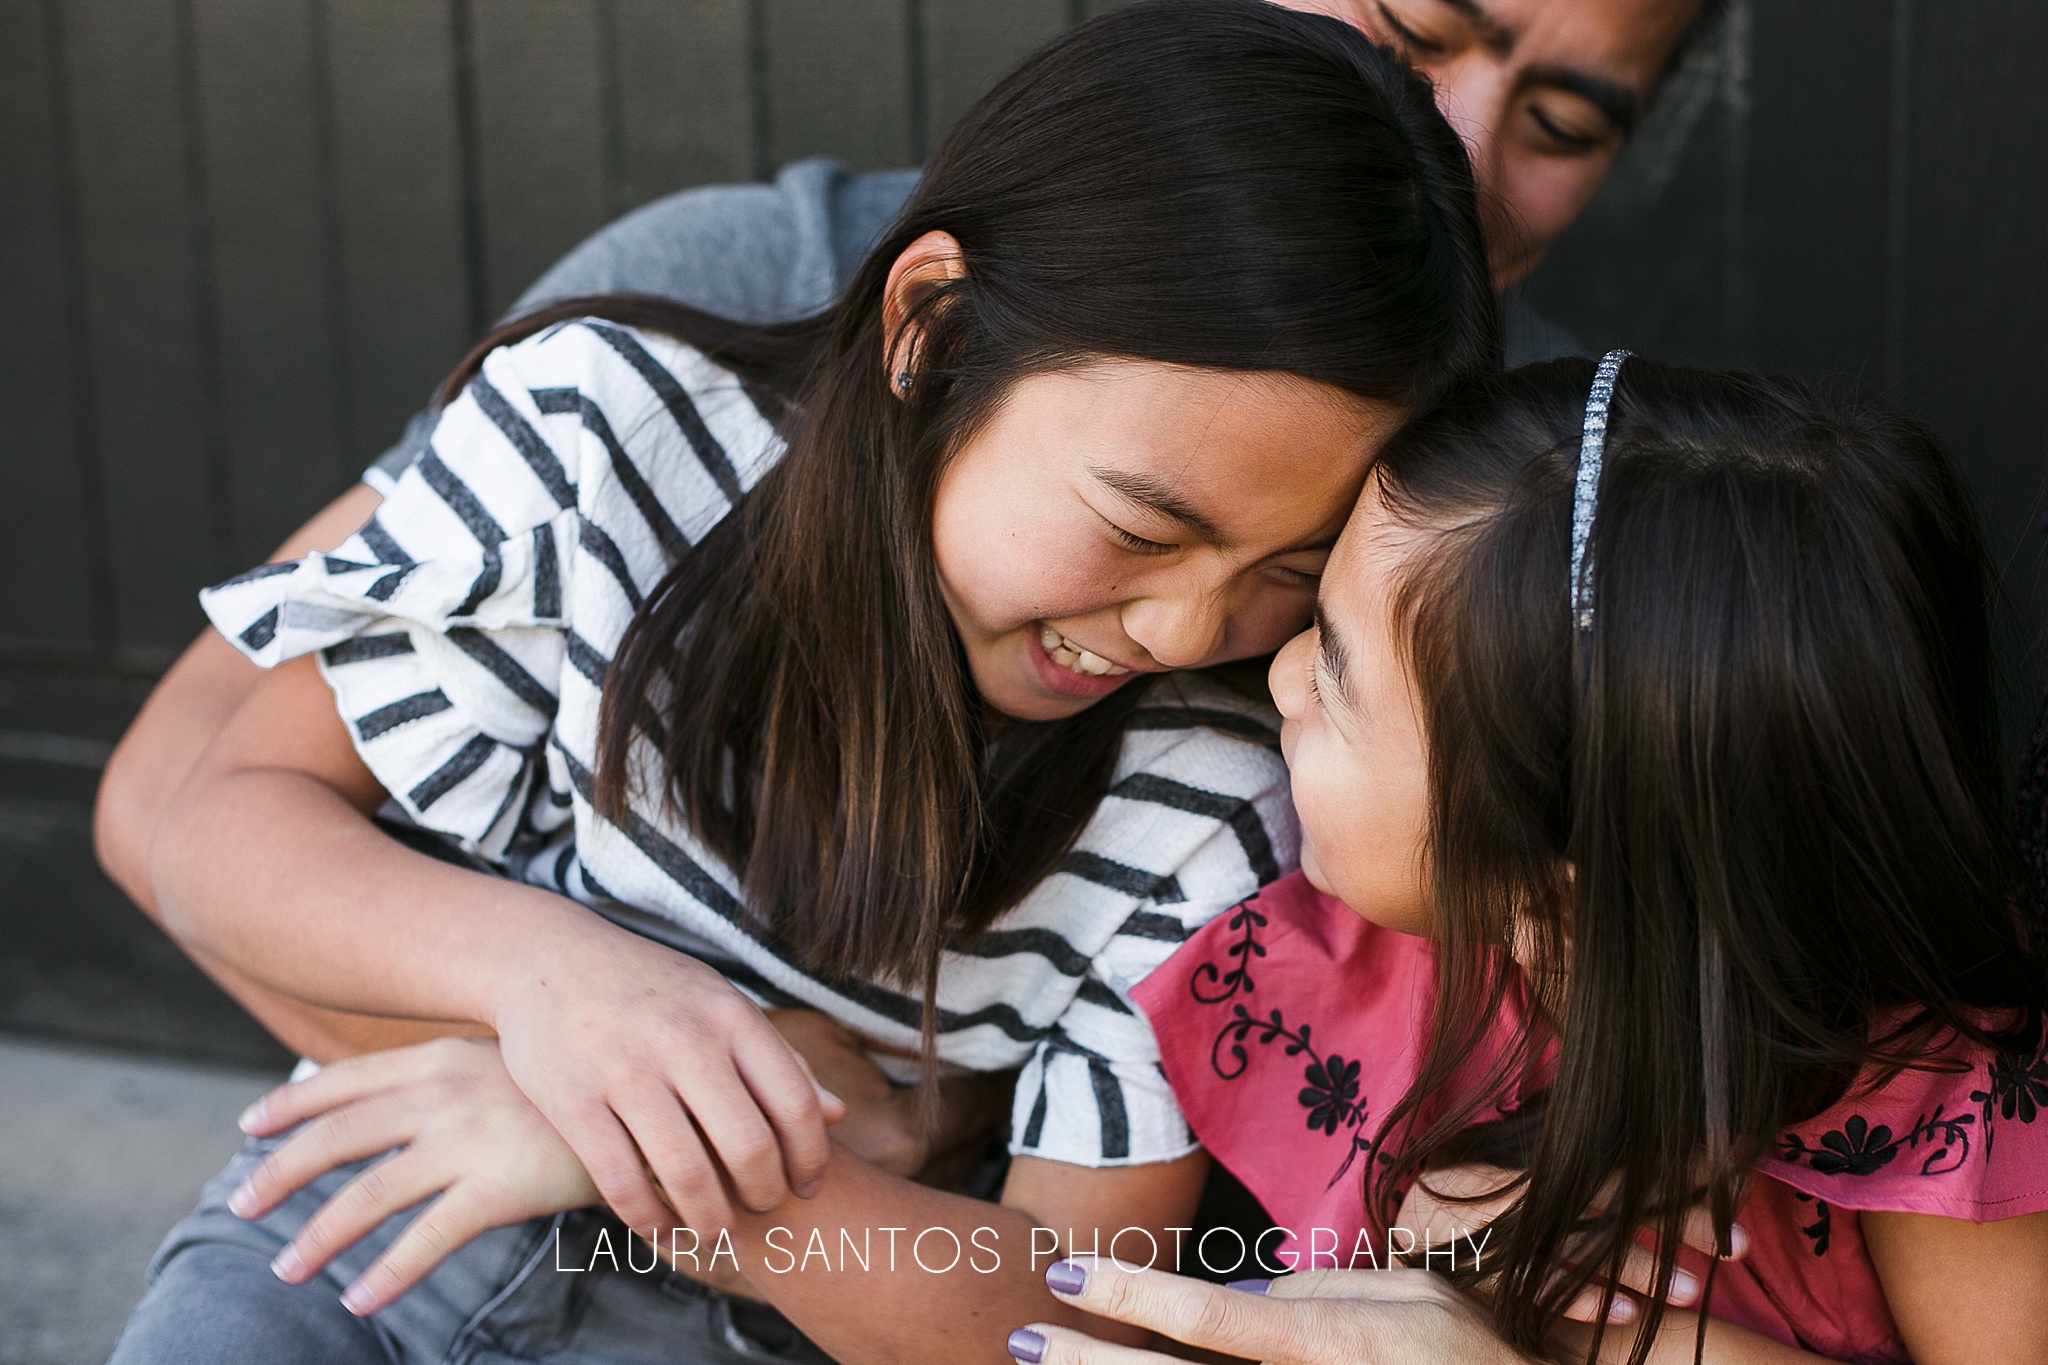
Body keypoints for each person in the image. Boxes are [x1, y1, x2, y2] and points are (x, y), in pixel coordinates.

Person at [108, 5, 1498, 1363]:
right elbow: (220, 828)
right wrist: (558, 986)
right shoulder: (612, 435)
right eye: (1143, 528)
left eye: (1289, 570)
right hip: (377, 1227)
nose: (1191, 627)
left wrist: (667, 1158)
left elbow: (1078, 1314)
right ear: (934, 328)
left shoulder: (1216, 794)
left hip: (814, 1302)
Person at [92, 0, 1709, 1064]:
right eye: (1417, 25)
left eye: (1565, 122)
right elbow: (175, 791)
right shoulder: (711, 321)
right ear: (921, 327)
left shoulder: (1520, 507)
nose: (1462, 141)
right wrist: (635, 1093)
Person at [1006, 355, 2048, 1363]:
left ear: (1552, 896)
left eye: (1333, 678)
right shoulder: (1387, 945)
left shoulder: (1940, 1102)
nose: (1274, 679)